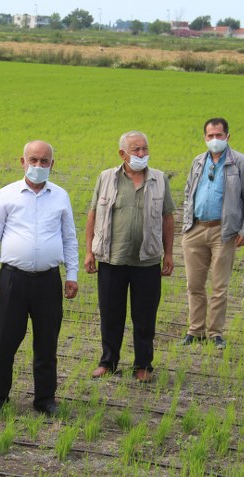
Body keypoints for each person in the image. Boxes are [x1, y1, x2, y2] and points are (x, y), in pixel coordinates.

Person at [0, 140, 79, 417]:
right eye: (33, 160)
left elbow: (69, 238)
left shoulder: (60, 196)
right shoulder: (6, 195)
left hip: (48, 281)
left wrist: (71, 275)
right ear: (22, 162)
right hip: (12, 279)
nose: (38, 166)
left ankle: (45, 399)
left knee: (47, 343)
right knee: (2, 343)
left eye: (44, 161)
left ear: (52, 165)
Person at [85, 131, 175, 383]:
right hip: (112, 259)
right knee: (111, 314)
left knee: (145, 316)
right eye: (136, 150)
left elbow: (168, 217)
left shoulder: (159, 179)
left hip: (146, 261)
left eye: (145, 149)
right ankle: (108, 361)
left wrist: (168, 253)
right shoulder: (106, 178)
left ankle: (143, 365)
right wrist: (89, 251)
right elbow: (93, 215)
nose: (142, 154)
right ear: (122, 154)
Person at [181, 117, 244, 350]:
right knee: (194, 284)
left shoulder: (239, 162)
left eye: (219, 135)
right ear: (204, 137)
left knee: (219, 286)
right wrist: (187, 223)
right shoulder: (198, 162)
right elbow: (188, 193)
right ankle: (195, 330)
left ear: (228, 136)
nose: (214, 140)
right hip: (195, 230)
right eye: (210, 136)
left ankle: (215, 332)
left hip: (223, 232)